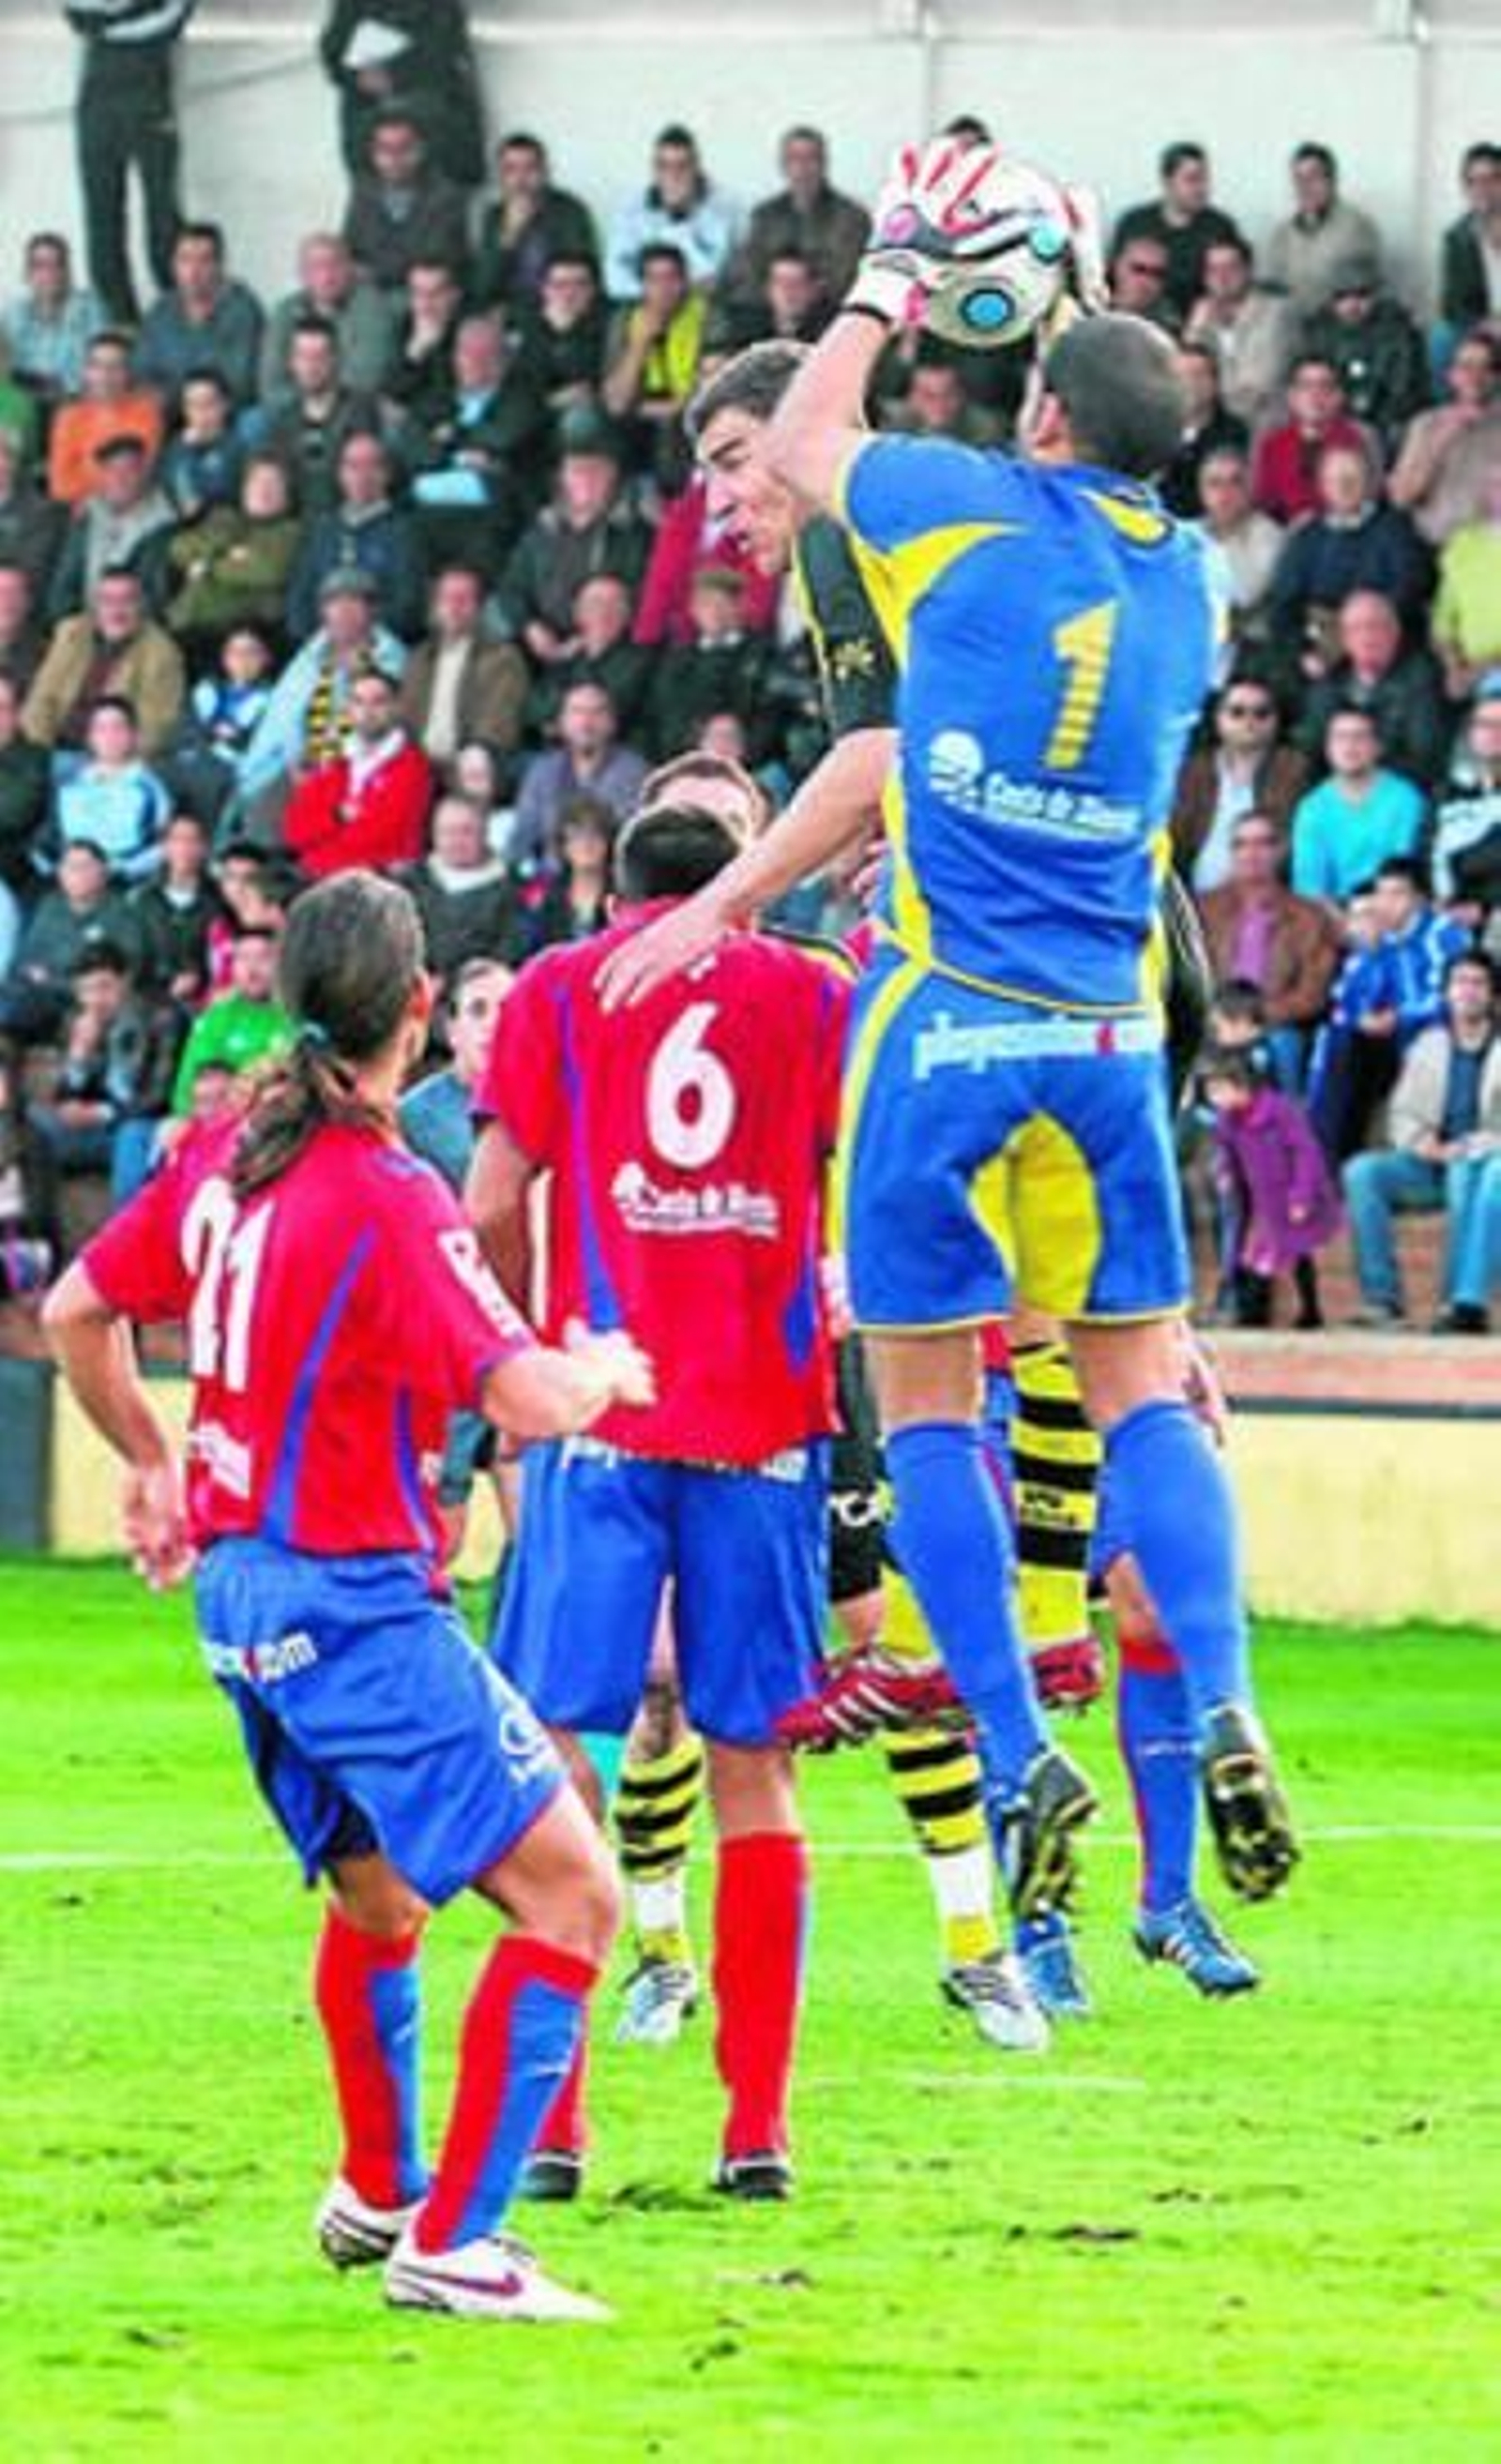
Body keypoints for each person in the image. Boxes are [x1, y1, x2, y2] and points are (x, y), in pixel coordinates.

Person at [601, 159, 1299, 1920]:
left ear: (1039, 411)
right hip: (1115, 1017)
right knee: (1144, 1383)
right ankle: (1225, 1701)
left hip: (949, 1014)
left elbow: (828, 447)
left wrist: (892, 268)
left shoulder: (952, 515)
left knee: (925, 1405)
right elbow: (1114, 419)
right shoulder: (1192, 577)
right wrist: (1050, 295)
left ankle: (1010, 1738)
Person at [44, 867, 652, 2321]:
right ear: (424, 1009)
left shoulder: (220, 1155)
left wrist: (150, 1459)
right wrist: (608, 1372)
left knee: (378, 1897)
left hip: (244, 1598)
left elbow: (75, 1306)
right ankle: (459, 2236)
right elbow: (520, 1386)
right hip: (355, 1598)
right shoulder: (389, 1192)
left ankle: (379, 2188)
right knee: (575, 1895)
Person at [469, 801, 846, 2200]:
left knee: (563, 1748)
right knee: (755, 1763)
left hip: (604, 1417)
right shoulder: (811, 990)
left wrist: (526, 1332)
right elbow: (856, 1169)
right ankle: (758, 2127)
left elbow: (493, 1185)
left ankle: (554, 2122)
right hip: (761, 1418)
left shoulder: (562, 986)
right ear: (736, 886)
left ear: (612, 880)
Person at [1342, 949, 1501, 1333]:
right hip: (1429, 1163)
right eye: (1459, 982)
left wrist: (1481, 1143)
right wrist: (1423, 1143)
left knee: (1470, 1173)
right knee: (1361, 1172)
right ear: (1446, 992)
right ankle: (1383, 1301)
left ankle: (1461, 1304)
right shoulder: (1428, 1045)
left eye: (1478, 983)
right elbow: (1402, 1113)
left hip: (1484, 1162)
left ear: (1494, 996)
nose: (1467, 992)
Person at [66, 0, 192, 327]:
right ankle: (121, 325)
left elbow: (173, 17)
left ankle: (180, 319)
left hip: (150, 91)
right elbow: (78, 14)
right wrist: (133, 13)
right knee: (102, 216)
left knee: (164, 215)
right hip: (98, 92)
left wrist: (111, 22)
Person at [1198, 811, 1342, 1091]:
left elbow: (1313, 993)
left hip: (1275, 1025)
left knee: (1284, 1045)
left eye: (1262, 843)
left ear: (1280, 850)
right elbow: (1184, 978)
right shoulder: (1203, 909)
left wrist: (1253, 1018)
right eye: (1240, 844)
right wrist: (1219, 1019)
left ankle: (1286, 1129)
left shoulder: (1309, 916)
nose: (1251, 853)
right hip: (1213, 1021)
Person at [1204, 1047, 1342, 1328]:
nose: (1214, 1099)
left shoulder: (1280, 1112)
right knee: (1257, 1256)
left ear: (1242, 1087)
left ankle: (1310, 1310)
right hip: (1262, 1201)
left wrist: (1302, 1195)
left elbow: (1305, 1153)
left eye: (1219, 1090)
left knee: (1298, 1254)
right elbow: (1225, 1151)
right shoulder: (1227, 1120)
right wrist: (1225, 1174)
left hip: (1290, 1196)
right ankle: (1252, 1313)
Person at [282, 667, 432, 879]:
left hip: (374, 883)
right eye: (358, 701)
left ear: (397, 707)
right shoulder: (336, 761)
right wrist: (338, 815)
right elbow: (294, 831)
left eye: (378, 701)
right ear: (348, 709)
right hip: (317, 877)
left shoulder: (413, 766)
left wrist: (322, 838)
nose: (367, 711)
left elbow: (379, 839)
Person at [1297, 589, 1449, 795]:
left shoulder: (1421, 680)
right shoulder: (1328, 687)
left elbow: (1425, 757)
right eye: (1356, 628)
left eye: (1376, 626)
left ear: (1395, 632)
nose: (1367, 636)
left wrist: (1361, 774)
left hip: (1399, 793)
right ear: (1345, 639)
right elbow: (1310, 751)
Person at [319, 0, 485, 189]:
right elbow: (332, 52)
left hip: (431, 127)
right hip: (371, 126)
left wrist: (394, 77)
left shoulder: (442, 7)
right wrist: (358, 78)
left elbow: (445, 55)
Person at [23, 567, 185, 761]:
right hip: (52, 749)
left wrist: (105, 766)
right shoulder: (71, 633)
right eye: (107, 600)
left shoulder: (162, 653)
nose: (117, 610)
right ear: (95, 605)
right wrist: (37, 754)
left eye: (127, 600)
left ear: (142, 604)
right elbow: (40, 699)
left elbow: (154, 728)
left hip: (111, 761)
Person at [1172, 678, 1308, 893]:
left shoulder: (1293, 770)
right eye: (1237, 712)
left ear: (1277, 720)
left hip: (1268, 899)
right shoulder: (1193, 771)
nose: (1249, 720)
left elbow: (1293, 841)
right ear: (1218, 719)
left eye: (1261, 713)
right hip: (1194, 900)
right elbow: (1175, 840)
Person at [398, 566, 528, 784]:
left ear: (479, 608)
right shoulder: (419, 658)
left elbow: (497, 724)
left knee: (476, 764)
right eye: (447, 598)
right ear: (435, 607)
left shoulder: (502, 658)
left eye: (464, 599)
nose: (454, 607)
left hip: (472, 763)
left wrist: (476, 750)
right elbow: (404, 717)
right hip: (420, 767)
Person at [728, 128, 871, 313]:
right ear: (783, 165)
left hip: (832, 315)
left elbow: (848, 279)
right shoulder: (764, 216)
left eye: (811, 158)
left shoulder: (852, 217)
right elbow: (749, 274)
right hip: (772, 316)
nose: (803, 167)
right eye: (794, 159)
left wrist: (802, 293)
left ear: (824, 163)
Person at [1290, 707, 1426, 900]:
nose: (1349, 745)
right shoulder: (1312, 808)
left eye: (1360, 737)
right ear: (1327, 748)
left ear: (1378, 747)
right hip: (1333, 915)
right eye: (1340, 737)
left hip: (1393, 907)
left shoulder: (1405, 799)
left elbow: (1402, 873)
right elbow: (1309, 887)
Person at [510, 682, 647, 869]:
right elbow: (522, 836)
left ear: (612, 722)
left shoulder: (634, 772)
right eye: (577, 711)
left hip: (613, 880)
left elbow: (631, 841)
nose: (586, 722)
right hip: (550, 881)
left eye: (597, 712)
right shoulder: (542, 771)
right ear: (561, 722)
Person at [1301, 258, 1431, 453]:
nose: (1352, 304)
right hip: (1334, 413)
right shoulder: (1319, 331)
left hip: (1386, 417)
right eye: (1342, 296)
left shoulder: (1398, 329)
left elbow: (1403, 390)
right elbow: (1313, 382)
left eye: (1362, 295)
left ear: (1376, 295)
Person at [1387, 328, 1501, 550]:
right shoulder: (1425, 424)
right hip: (1432, 546)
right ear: (1452, 375)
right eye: (1466, 366)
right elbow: (1401, 498)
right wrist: (1440, 441)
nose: (1475, 376)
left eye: (1486, 368)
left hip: (1489, 552)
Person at [136, 221, 265, 410]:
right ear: (173, 266)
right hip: (169, 414)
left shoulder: (243, 310)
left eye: (204, 261)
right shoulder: (161, 311)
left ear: (220, 266)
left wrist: (175, 396)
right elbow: (142, 373)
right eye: (185, 260)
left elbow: (239, 386)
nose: (193, 272)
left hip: (224, 415)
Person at [603, 126, 739, 303]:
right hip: (643, 307)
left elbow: (713, 279)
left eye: (682, 166)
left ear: (697, 167)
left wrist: (678, 219)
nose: (673, 175)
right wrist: (659, 296)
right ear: (654, 170)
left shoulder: (724, 211)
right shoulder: (630, 212)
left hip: (702, 310)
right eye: (664, 166)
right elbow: (615, 282)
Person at [1110, 142, 1244, 322]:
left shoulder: (1219, 227)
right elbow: (1114, 281)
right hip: (1143, 318)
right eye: (1192, 179)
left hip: (1202, 323)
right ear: (1167, 182)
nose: (1202, 188)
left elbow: (1235, 283)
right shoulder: (1136, 224)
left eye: (1205, 179)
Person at [342, 109, 469, 295]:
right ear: (373, 152)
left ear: (422, 149)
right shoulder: (364, 190)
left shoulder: (446, 195)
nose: (394, 158)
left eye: (404, 148)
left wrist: (373, 272)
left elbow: (431, 260)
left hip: (424, 295)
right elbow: (349, 248)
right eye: (384, 148)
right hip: (367, 292)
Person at [260, 232, 395, 404]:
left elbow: (364, 380)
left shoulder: (372, 308)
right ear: (302, 274)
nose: (326, 276)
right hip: (293, 410)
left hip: (354, 409)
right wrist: (304, 410)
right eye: (316, 267)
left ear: (350, 268)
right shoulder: (285, 312)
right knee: (253, 422)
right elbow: (271, 384)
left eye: (334, 265)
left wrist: (318, 406)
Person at [400, 795, 521, 985]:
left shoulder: (511, 888)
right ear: (433, 834)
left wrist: (455, 982)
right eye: (447, 831)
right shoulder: (411, 881)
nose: (456, 840)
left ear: (485, 832)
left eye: (466, 831)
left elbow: (509, 951)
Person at [471, 133, 598, 312]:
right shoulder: (494, 216)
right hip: (508, 312)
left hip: (558, 307)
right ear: (500, 176)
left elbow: (577, 275)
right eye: (510, 170)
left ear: (545, 172)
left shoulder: (570, 211)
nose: (520, 179)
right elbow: (483, 286)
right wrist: (509, 236)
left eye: (530, 168)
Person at [54, 693, 173, 882]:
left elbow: (163, 847)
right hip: (71, 882)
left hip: (125, 885)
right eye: (101, 729)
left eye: (118, 728)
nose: (110, 737)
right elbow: (57, 841)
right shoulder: (70, 785)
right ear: (90, 737)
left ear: (134, 735)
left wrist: (119, 871)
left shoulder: (150, 788)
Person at [1183, 235, 1296, 431]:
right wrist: (1196, 328)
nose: (1222, 277)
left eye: (1231, 268)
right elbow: (1187, 378)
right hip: (1214, 430)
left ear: (1249, 271)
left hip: (1265, 428)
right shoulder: (1202, 316)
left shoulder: (1277, 314)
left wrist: (1205, 400)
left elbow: (1258, 388)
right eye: (1213, 270)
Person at [47, 330, 165, 510]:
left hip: (134, 511)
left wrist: (84, 470)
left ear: (128, 373)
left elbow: (137, 477)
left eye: (115, 367)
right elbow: (60, 487)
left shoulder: (147, 413)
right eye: (96, 366)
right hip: (83, 519)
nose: (104, 375)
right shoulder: (68, 417)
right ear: (86, 371)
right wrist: (112, 474)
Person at [1264, 143, 1384, 320]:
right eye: (1298, 179)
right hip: (1291, 329)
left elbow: (1359, 294)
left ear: (1332, 180)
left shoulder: (1357, 228)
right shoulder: (1281, 234)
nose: (1305, 187)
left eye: (1313, 177)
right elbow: (1272, 290)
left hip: (1338, 332)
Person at [1252, 355, 1370, 529]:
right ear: (1291, 397)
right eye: (1305, 387)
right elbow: (1265, 504)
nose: (1315, 395)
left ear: (1339, 397)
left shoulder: (1355, 440)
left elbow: (1364, 503)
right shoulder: (1272, 444)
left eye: (1325, 386)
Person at [1, 231, 101, 406]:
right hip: (24, 404)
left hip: (74, 403)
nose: (49, 273)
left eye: (57, 264)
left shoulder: (89, 309)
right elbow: (5, 369)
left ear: (68, 271)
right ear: (26, 273)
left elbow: (98, 369)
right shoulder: (13, 313)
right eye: (40, 265)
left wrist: (54, 387)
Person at [1429, 688, 1501, 924]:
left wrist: (1485, 908)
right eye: (1484, 724)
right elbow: (1425, 848)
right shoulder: (1447, 790)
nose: (1494, 733)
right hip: (1443, 909)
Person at [1431, 462, 1501, 702]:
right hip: (1474, 676)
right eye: (1496, 484)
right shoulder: (1463, 544)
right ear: (1488, 493)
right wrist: (1454, 668)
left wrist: (1480, 670)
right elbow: (1442, 621)